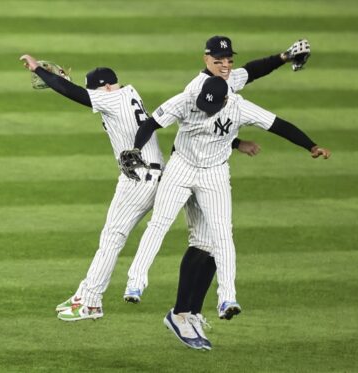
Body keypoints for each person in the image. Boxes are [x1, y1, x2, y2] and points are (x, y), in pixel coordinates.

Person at [19, 54, 258, 322]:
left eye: (95, 92)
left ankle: (89, 301)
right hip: (159, 175)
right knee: (185, 237)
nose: (94, 99)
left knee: (112, 238)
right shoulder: (128, 93)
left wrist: (40, 70)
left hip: (138, 178)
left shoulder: (111, 97)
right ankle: (91, 298)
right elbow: (80, 92)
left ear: (107, 87)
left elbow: (74, 94)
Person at [121, 75, 330, 350]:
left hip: (215, 174)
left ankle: (227, 299)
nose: (205, 109)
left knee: (221, 235)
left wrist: (311, 145)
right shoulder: (187, 99)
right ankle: (135, 284)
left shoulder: (240, 106)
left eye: (212, 106)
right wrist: (136, 147)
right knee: (158, 223)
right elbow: (150, 123)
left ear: (225, 100)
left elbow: (278, 125)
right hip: (181, 168)